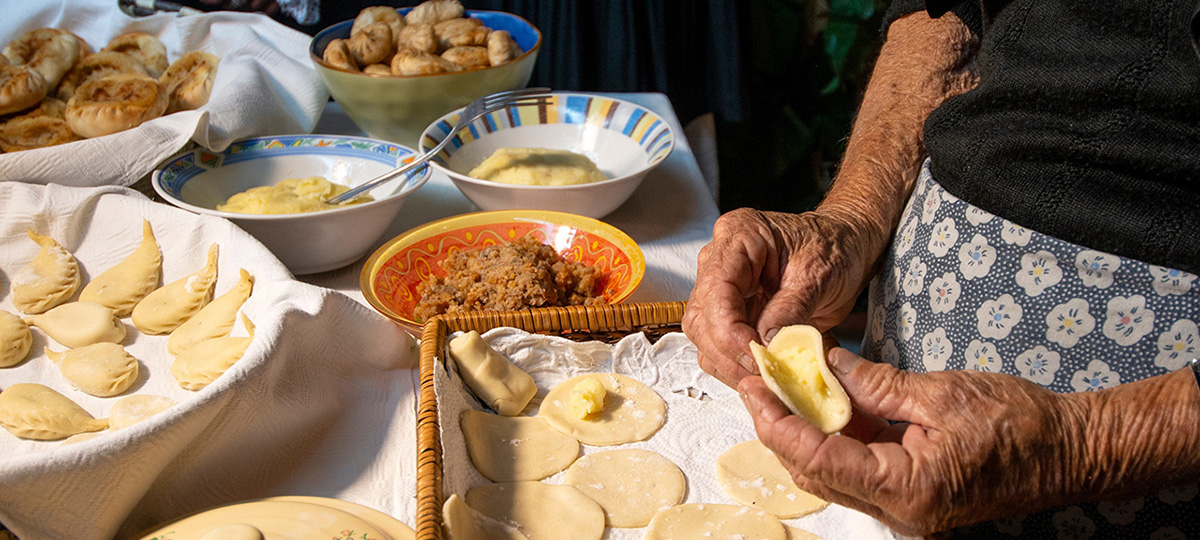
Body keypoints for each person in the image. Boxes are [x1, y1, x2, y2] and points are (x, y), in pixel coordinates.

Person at [683, 0, 1200, 537]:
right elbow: (941, 15)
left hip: (1160, 426)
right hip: (930, 300)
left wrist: (1086, 441)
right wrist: (852, 217)